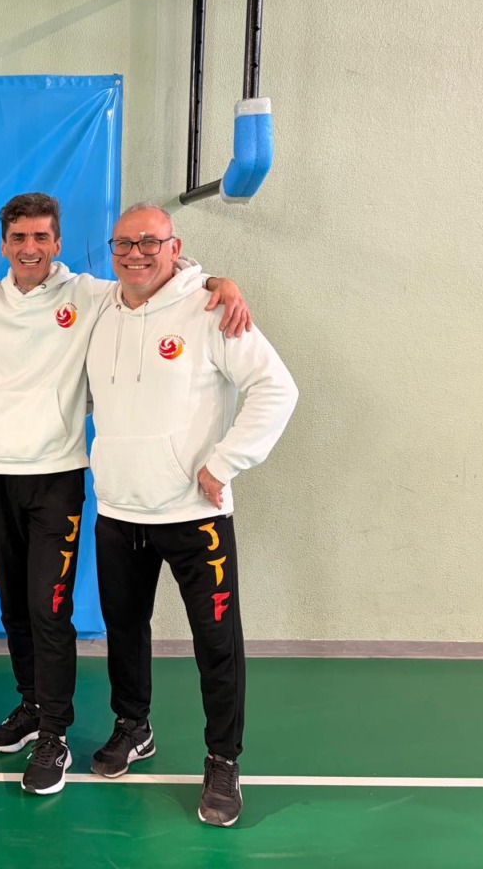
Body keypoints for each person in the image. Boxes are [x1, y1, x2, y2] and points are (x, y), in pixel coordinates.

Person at [0, 192, 252, 795]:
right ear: (4, 244)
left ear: (59, 243)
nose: (31, 248)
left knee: (51, 610)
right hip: (12, 478)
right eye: (20, 238)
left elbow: (161, 273)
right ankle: (42, 707)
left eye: (42, 237)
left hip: (67, 478)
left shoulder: (93, 295)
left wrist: (216, 281)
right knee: (23, 609)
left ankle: (63, 736)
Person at [85, 203, 298, 826]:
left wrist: (224, 463)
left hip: (194, 513)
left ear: (175, 247)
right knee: (124, 630)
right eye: (124, 243)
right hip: (118, 509)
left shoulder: (211, 308)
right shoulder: (99, 308)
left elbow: (277, 388)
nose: (136, 254)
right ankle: (133, 726)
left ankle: (223, 759)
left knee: (216, 642)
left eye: (150, 242)